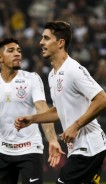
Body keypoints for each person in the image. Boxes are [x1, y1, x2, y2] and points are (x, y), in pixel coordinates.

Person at [15, 21, 106, 184]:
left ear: (60, 43)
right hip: (79, 149)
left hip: (89, 147)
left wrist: (76, 125)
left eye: (46, 38)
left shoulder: (73, 70)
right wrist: (32, 119)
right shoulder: (52, 75)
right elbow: (58, 110)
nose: (41, 42)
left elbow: (102, 99)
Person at [0, 37, 64, 184]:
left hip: (30, 150)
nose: (17, 54)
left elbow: (42, 109)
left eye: (19, 50)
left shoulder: (32, 79)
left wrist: (53, 140)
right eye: (11, 51)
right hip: (3, 151)